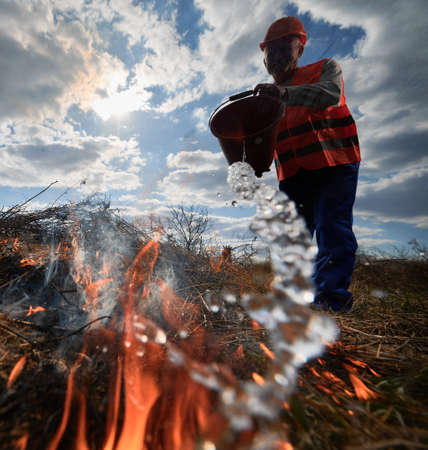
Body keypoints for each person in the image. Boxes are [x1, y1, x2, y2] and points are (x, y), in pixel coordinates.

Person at [254, 17, 361, 312]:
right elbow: (259, 143)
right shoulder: (264, 96)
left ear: (299, 49)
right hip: (293, 174)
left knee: (332, 228)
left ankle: (330, 302)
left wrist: (284, 94)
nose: (276, 57)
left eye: (282, 49)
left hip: (334, 164)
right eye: (270, 52)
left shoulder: (325, 68)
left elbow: (330, 95)